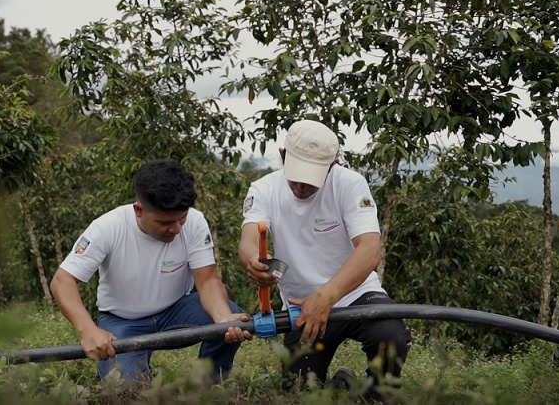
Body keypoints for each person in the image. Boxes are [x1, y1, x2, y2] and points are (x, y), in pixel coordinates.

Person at [237, 120, 411, 399]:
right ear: (283, 155)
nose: (302, 187)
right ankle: (341, 384)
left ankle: (373, 395)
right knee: (298, 393)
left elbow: (369, 249)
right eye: (296, 177)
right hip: (301, 308)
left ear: (333, 165)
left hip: (355, 294)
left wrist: (325, 296)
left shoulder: (350, 184)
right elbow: (248, 238)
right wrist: (256, 262)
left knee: (391, 338)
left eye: (311, 180)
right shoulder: (263, 189)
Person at [51, 159, 251, 384]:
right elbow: (62, 281)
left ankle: (208, 386)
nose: (176, 229)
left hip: (176, 311)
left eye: (181, 219)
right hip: (123, 322)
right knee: (128, 389)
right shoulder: (107, 228)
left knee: (230, 315)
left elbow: (207, 281)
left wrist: (222, 318)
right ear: (139, 210)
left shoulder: (194, 222)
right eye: (165, 222)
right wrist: (88, 330)